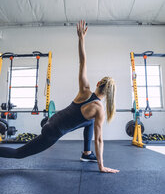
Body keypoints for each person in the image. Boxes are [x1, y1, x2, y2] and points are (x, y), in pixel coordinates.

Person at [0, 20, 119, 173]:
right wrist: (101, 166)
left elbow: (83, 62)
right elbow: (99, 139)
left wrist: (81, 38)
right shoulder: (99, 109)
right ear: (110, 95)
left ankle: (86, 153)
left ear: (98, 83)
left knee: (89, 123)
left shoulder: (85, 90)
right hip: (52, 132)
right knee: (19, 153)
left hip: (53, 120)